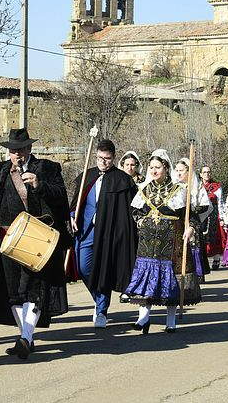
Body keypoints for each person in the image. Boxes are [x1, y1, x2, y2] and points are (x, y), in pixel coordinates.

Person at [0, 128, 71, 359]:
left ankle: (25, 338)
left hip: (35, 238)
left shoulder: (48, 168)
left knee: (33, 289)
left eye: (21, 150)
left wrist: (39, 185)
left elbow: (62, 198)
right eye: (13, 151)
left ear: (29, 149)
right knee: (12, 290)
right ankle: (26, 336)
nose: (17, 155)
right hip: (5, 240)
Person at [124, 150, 197, 332]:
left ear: (166, 167)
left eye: (157, 167)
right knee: (147, 278)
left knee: (170, 281)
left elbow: (191, 216)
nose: (154, 171)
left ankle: (170, 321)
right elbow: (135, 211)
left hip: (171, 242)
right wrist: (140, 220)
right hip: (148, 243)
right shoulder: (145, 190)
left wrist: (190, 228)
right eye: (151, 168)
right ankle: (143, 318)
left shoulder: (179, 190)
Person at [68, 139, 137, 329]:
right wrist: (72, 215)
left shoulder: (123, 180)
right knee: (83, 268)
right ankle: (100, 298)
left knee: (104, 270)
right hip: (85, 231)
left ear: (113, 158)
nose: (102, 162)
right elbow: (76, 202)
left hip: (108, 233)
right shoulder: (86, 177)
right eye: (99, 158)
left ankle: (101, 310)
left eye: (106, 159)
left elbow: (130, 210)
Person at [200, 166, 227, 269]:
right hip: (202, 214)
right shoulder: (197, 186)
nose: (207, 174)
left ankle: (216, 259)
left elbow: (221, 203)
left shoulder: (216, 186)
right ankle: (203, 260)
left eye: (208, 172)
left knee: (215, 236)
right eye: (204, 172)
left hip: (214, 214)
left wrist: (222, 218)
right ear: (201, 174)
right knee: (202, 237)